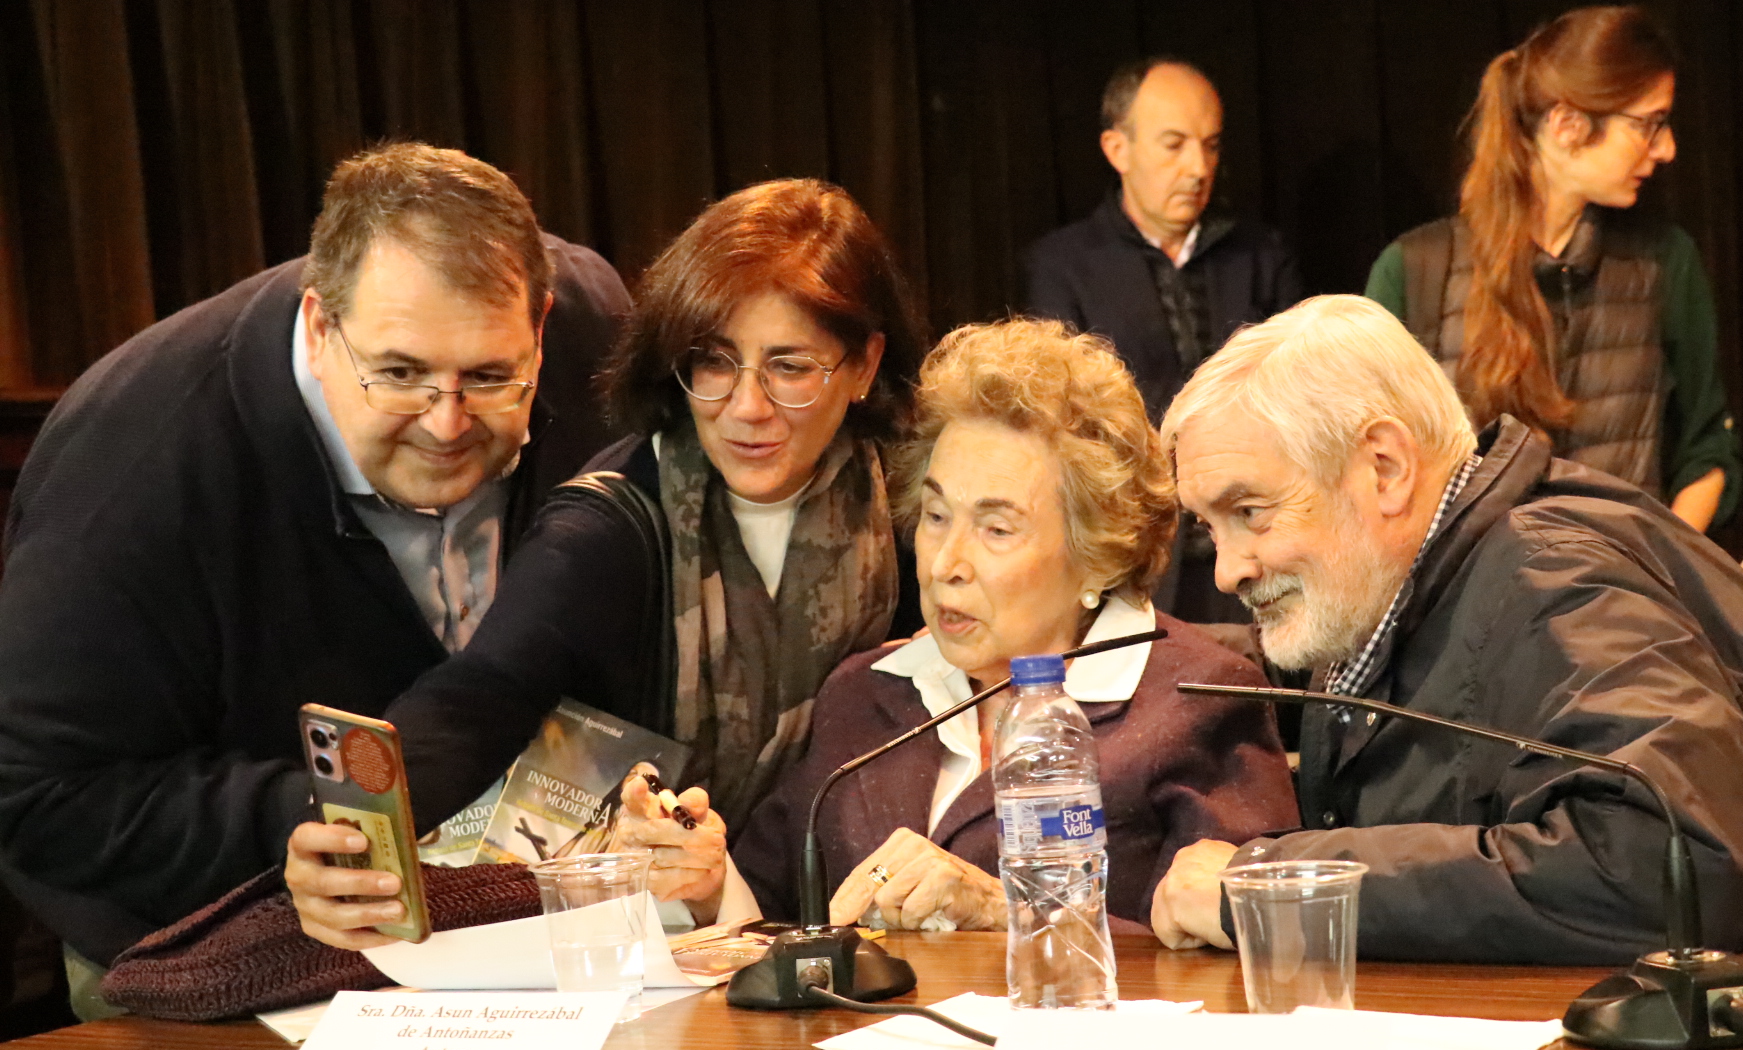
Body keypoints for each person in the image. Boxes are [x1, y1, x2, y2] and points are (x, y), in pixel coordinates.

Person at [0, 143, 629, 996]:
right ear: (321, 324)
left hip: (517, 918)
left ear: (542, 323)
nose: (446, 425)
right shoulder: (134, 468)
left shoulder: (600, 331)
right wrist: (311, 822)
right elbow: (34, 795)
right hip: (207, 944)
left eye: (488, 378)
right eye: (400, 375)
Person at [287, 178, 926, 949]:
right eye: (714, 362)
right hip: (635, 941)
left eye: (789, 367)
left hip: (865, 918)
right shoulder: (604, 532)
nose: (747, 407)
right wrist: (343, 840)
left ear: (862, 367)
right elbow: (471, 704)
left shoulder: (910, 501)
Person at [1149, 295, 1743, 964]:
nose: (1228, 570)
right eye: (1212, 529)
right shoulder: (1378, 594)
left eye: (1251, 511)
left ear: (1384, 468)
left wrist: (1279, 884)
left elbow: (1674, 860)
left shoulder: (1558, 578)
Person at [730, 319, 1298, 930]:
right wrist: (708, 880)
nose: (947, 564)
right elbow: (773, 918)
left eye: (996, 529)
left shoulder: (1199, 703)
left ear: (1097, 553)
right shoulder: (863, 694)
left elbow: (1241, 950)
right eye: (937, 515)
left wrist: (1013, 915)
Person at [1364, 5, 1739, 534]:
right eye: (1648, 125)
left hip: (1624, 601)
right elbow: (1370, 471)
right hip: (1467, 608)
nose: (1667, 148)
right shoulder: (1414, 271)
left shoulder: (1663, 262)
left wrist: (1660, 572)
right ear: (1566, 125)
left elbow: (1707, 449)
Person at [1025, 57, 1302, 624]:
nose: (1198, 168)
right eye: (1174, 145)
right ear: (1116, 148)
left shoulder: (1260, 255)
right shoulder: (1064, 266)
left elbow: (1300, 390)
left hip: (1259, 536)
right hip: (1138, 556)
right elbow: (1064, 427)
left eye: (1211, 145)